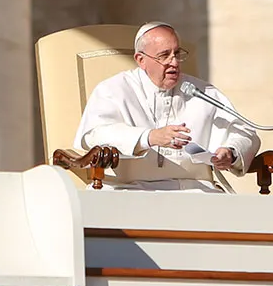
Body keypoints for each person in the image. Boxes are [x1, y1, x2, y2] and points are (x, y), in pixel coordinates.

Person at [74, 22, 260, 192]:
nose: (174, 62)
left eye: (177, 54)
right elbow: (94, 135)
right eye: (164, 56)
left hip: (195, 191)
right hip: (129, 190)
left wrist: (231, 152)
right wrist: (148, 137)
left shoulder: (202, 91)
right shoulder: (113, 90)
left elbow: (245, 132)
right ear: (141, 60)